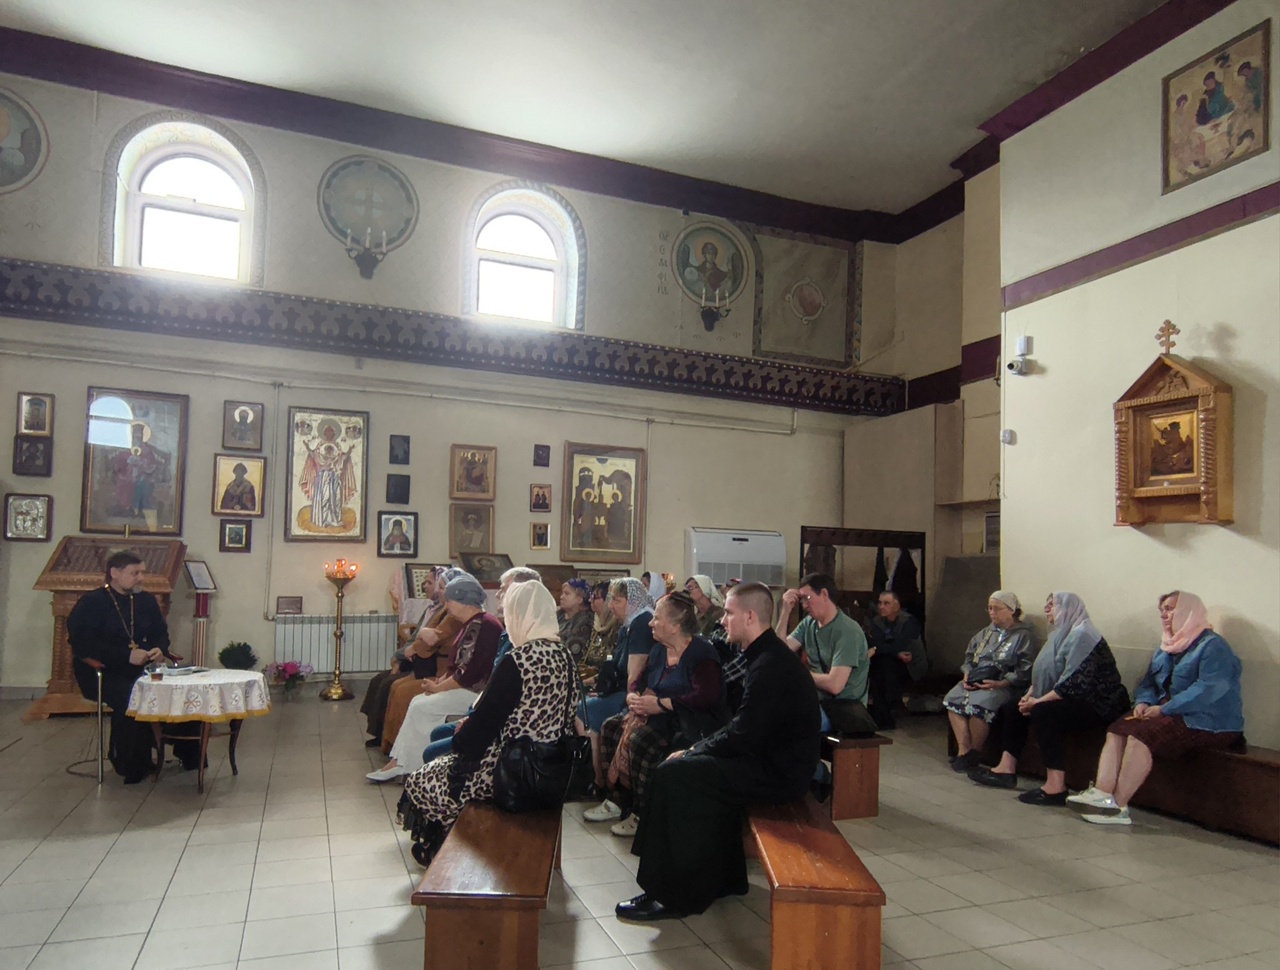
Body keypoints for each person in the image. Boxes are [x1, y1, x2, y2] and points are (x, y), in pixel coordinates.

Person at [616, 583, 820, 921]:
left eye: (728, 612)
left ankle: (670, 895)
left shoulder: (771, 664)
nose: (722, 620)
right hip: (766, 758)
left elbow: (744, 733)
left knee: (673, 775)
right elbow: (745, 728)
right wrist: (699, 751)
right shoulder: (763, 655)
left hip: (780, 772)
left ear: (750, 617)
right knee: (682, 769)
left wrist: (694, 751)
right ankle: (725, 878)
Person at [397, 581, 579, 865]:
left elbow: (480, 730)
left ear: (520, 615)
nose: (507, 618)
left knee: (425, 779)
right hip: (554, 769)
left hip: (510, 771)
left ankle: (443, 851)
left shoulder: (517, 661)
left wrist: (461, 739)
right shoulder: (564, 656)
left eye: (511, 612)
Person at [1069, 591, 1244, 826]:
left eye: (1170, 609)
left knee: (1141, 736)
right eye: (1162, 610)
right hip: (1167, 712)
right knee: (1118, 729)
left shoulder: (1213, 646)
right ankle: (1102, 794)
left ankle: (1118, 807)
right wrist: (1143, 702)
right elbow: (1149, 682)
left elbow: (1209, 689)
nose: (1164, 615)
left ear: (1188, 611)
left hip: (1208, 720)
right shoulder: (1167, 645)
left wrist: (1165, 709)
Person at [969, 592, 1130, 805]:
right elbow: (1042, 672)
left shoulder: (1083, 635)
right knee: (1013, 707)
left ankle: (1056, 786)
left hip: (1099, 702)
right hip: (1068, 696)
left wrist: (1038, 702)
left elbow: (1073, 684)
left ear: (1068, 609)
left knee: (1044, 713)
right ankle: (1006, 769)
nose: (1047, 609)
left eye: (1053, 605)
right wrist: (1029, 696)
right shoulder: (1059, 634)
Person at [595, 592, 727, 838]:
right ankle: (617, 801)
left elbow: (705, 697)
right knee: (611, 726)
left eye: (656, 618)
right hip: (657, 714)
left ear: (675, 626)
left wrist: (662, 704)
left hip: (688, 721)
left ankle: (643, 813)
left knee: (641, 739)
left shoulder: (702, 654)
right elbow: (639, 681)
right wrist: (632, 696)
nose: (650, 623)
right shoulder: (658, 651)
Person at [67, 551, 199, 783]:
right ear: (114, 573)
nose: (141, 578)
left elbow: (160, 633)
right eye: (135, 573)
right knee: (133, 695)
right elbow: (82, 644)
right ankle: (132, 764)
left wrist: (159, 648)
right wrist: (126, 656)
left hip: (143, 669)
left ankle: (189, 754)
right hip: (103, 671)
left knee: (184, 689)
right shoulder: (92, 603)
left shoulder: (146, 601)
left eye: (142, 573)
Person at [367, 575, 501, 781]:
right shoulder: (472, 622)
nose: (447, 606)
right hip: (468, 687)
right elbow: (457, 665)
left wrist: (438, 688)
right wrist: (440, 682)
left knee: (423, 706)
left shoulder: (482, 625)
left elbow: (468, 674)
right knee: (418, 701)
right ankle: (400, 761)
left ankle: (411, 766)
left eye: (450, 601)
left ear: (464, 602)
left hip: (478, 693)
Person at [581, 578, 657, 823]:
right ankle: (598, 782)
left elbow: (634, 675)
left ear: (632, 601)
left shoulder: (642, 623)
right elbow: (616, 666)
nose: (611, 605)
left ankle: (599, 784)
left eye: (617, 599)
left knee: (584, 712)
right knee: (585, 706)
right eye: (611, 599)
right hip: (621, 691)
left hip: (636, 696)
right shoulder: (628, 625)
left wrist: (627, 705)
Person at [943, 591, 1039, 772]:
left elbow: (1026, 668)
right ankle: (964, 750)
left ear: (1011, 610)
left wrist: (1001, 683)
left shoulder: (1024, 636)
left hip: (1004, 684)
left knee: (981, 702)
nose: (992, 613)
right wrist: (967, 675)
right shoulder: (986, 633)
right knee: (953, 698)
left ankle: (975, 752)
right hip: (978, 680)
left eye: (997, 608)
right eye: (989, 608)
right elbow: (969, 658)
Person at [374, 569, 468, 750]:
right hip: (432, 667)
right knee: (393, 685)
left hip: (440, 671)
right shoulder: (444, 611)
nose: (438, 591)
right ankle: (389, 743)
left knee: (402, 692)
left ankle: (398, 748)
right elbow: (424, 635)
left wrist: (416, 645)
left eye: (442, 587)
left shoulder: (454, 617)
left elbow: (432, 639)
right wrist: (420, 637)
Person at [775, 572, 876, 737]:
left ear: (824, 594)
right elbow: (778, 652)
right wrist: (785, 612)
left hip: (844, 710)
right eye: (801, 600)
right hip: (818, 702)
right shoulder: (809, 624)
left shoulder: (848, 631)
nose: (804, 605)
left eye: (807, 598)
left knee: (790, 724)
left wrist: (798, 674)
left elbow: (835, 685)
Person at [360, 567, 447, 746]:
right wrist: (398, 657)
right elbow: (414, 639)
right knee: (378, 680)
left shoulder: (443, 613)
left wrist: (402, 657)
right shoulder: (430, 609)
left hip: (423, 663)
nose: (424, 586)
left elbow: (425, 644)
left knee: (388, 684)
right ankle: (378, 731)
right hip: (411, 657)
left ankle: (387, 736)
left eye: (430, 583)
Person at [866, 590, 927, 729]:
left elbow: (902, 645)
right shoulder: (877, 622)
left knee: (885, 665)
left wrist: (879, 649)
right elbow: (876, 643)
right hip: (888, 662)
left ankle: (885, 713)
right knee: (879, 665)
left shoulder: (909, 621)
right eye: (880, 603)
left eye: (886, 603)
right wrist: (891, 652)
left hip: (911, 666)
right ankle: (882, 714)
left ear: (896, 606)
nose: (881, 606)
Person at [579, 581, 620, 683]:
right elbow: (585, 658)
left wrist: (594, 678)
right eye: (590, 596)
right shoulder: (595, 626)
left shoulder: (618, 629)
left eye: (594, 597)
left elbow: (615, 665)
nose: (590, 600)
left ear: (607, 600)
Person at [557, 578, 594, 661]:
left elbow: (574, 650)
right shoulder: (558, 615)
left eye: (567, 594)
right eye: (562, 593)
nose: (561, 597)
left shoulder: (585, 620)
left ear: (580, 599)